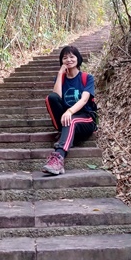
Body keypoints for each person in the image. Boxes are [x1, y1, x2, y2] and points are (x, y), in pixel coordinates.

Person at [42, 45, 96, 175]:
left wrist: (70, 111)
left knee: (70, 120)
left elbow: (84, 100)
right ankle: (64, 132)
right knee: (51, 98)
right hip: (67, 118)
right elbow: (57, 97)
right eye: (65, 57)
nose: (69, 60)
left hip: (86, 118)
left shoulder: (87, 78)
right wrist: (60, 74)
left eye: (72, 56)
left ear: (78, 59)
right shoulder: (61, 78)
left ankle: (59, 158)